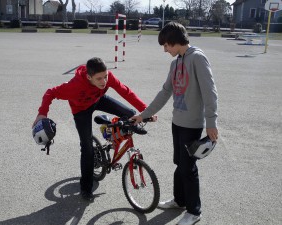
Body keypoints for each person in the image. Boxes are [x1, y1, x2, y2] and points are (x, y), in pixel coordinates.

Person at [131, 22, 218, 225]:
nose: (165, 50)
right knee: (180, 164)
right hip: (177, 123)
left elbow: (210, 92)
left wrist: (211, 122)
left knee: (188, 168)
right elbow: (165, 92)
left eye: (166, 46)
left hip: (192, 124)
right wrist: (144, 115)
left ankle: (194, 211)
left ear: (174, 42)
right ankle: (179, 201)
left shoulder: (197, 58)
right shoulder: (175, 63)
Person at [32, 57, 147, 201]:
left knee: (130, 114)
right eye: (99, 79)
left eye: (105, 76)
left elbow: (125, 91)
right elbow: (50, 92)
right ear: (88, 77)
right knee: (87, 148)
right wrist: (42, 113)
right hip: (80, 111)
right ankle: (85, 188)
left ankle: (113, 131)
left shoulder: (107, 77)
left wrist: (145, 110)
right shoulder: (75, 86)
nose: (104, 81)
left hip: (98, 99)